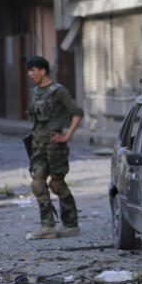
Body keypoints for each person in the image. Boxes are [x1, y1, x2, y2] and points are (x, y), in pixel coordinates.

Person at [25, 56, 84, 239]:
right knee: (37, 183)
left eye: (33, 70)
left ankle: (70, 224)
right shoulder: (34, 92)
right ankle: (47, 226)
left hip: (55, 147)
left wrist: (66, 135)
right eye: (29, 70)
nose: (30, 74)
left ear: (43, 71)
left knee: (57, 184)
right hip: (38, 145)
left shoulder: (59, 91)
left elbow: (77, 112)